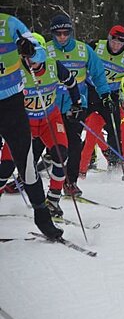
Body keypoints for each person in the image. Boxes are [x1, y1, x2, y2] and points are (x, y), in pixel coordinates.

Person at [0, 31, 81, 217]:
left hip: (49, 120)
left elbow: (71, 81)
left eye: (34, 56)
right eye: (26, 56)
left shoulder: (53, 65)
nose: (30, 61)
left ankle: (53, 200)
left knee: (61, 154)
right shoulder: (14, 69)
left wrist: (76, 104)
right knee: (6, 166)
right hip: (23, 123)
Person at [0, 13, 62, 239]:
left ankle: (42, 216)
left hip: (12, 104)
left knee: (26, 163)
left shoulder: (9, 24)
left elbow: (41, 51)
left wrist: (30, 50)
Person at [47, 13, 111, 195]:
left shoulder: (83, 50)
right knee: (43, 143)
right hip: (50, 105)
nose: (62, 37)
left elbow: (98, 74)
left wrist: (105, 94)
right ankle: (24, 179)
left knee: (73, 144)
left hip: (75, 105)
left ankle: (70, 182)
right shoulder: (45, 49)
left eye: (65, 33)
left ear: (71, 32)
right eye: (58, 33)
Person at [80, 25, 124, 172]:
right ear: (109, 37)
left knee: (115, 130)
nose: (116, 46)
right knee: (79, 124)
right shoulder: (95, 46)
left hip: (110, 96)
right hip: (90, 91)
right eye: (113, 41)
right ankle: (72, 160)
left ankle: (114, 164)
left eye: (120, 43)